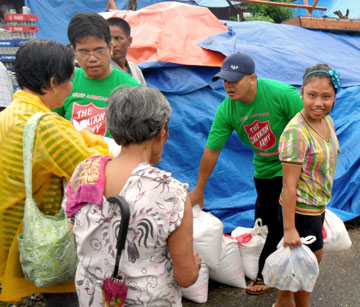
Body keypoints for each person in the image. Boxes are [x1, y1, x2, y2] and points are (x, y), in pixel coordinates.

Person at [66, 86, 201, 306]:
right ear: (161, 131)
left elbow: (76, 227)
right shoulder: (171, 191)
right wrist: (194, 266)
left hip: (93, 297)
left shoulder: (84, 172)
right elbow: (185, 277)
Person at [0, 39, 110, 305]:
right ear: (51, 83)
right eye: (70, 79)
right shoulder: (45, 125)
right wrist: (95, 140)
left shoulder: (11, 113)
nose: (71, 87)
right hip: (37, 238)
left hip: (9, 225)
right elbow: (91, 169)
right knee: (66, 298)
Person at [189, 52, 304, 295]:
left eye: (235, 80)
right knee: (262, 216)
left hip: (291, 165)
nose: (228, 86)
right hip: (263, 167)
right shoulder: (226, 110)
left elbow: (309, 127)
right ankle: (273, 256)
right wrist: (199, 189)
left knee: (275, 220)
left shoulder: (282, 94)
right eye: (224, 80)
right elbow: (211, 150)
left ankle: (266, 272)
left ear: (252, 78)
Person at [274, 64, 340, 307]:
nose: (318, 103)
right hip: (301, 210)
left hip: (316, 207)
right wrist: (290, 228)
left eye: (326, 96)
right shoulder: (296, 133)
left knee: (298, 263)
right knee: (307, 266)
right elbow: (288, 185)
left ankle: (283, 302)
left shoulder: (328, 122)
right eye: (312, 95)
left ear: (334, 97)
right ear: (301, 92)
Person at [54, 12, 140, 137]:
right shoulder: (65, 83)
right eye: (84, 52)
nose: (92, 58)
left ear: (110, 48)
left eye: (99, 50)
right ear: (74, 52)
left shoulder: (131, 89)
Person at [108, 17, 147, 85]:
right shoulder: (103, 71)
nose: (113, 44)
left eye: (118, 38)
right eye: (108, 39)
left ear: (129, 41)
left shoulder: (135, 69)